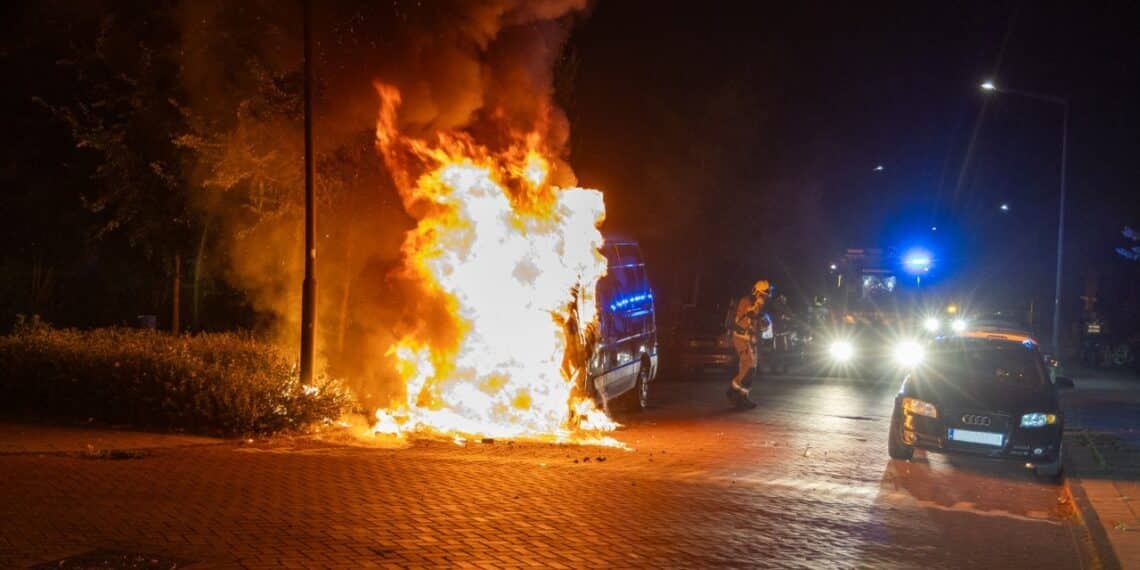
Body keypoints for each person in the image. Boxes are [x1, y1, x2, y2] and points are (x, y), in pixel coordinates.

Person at [726, 279, 772, 408]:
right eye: (763, 294)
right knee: (749, 366)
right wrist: (758, 305)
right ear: (756, 292)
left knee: (752, 369)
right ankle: (733, 390)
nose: (765, 297)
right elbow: (750, 314)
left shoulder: (759, 305)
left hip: (750, 340)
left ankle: (743, 396)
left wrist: (765, 323)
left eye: (766, 295)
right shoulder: (746, 301)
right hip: (741, 338)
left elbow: (762, 324)